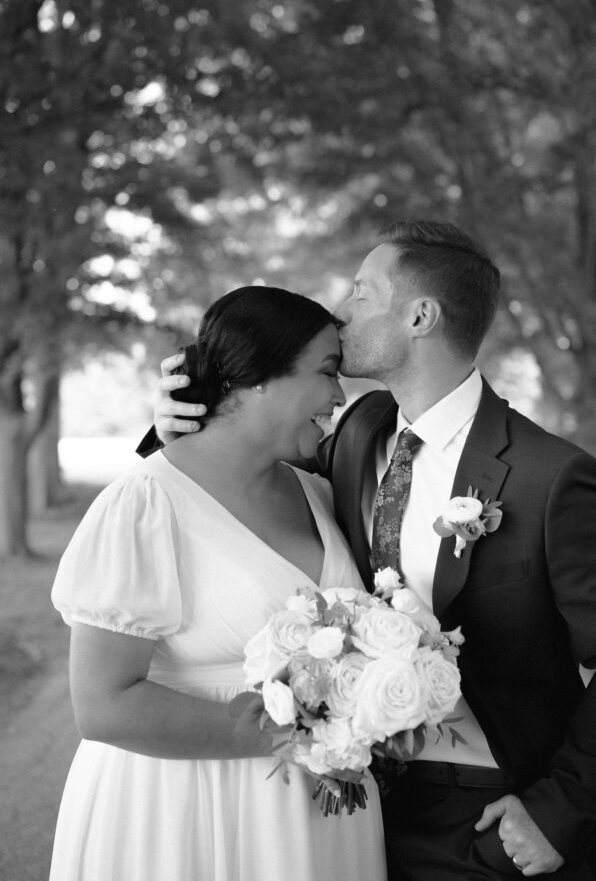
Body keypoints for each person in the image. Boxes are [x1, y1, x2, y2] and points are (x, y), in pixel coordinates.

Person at [144, 222, 596, 881]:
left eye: (362, 293)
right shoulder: (356, 433)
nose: (340, 312)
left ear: (419, 316)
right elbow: (242, 488)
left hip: (490, 813)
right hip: (353, 804)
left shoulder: (550, 476)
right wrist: (178, 426)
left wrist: (558, 809)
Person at [50, 286, 387, 881]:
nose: (339, 396)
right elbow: (102, 705)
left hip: (316, 816)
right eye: (328, 372)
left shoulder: (318, 492)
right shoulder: (145, 502)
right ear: (257, 376)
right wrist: (301, 733)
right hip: (185, 812)